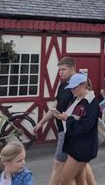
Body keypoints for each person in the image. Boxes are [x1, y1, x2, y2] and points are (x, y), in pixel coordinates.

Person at [33, 57, 75, 185]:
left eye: (63, 69)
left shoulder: (79, 85)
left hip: (70, 131)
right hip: (63, 130)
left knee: (58, 165)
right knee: (79, 167)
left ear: (72, 69)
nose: (60, 72)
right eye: (59, 70)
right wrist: (41, 122)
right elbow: (54, 107)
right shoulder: (62, 86)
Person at [55, 73, 99, 185]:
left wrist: (67, 119)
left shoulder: (90, 101)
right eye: (71, 88)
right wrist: (65, 117)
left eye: (74, 87)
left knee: (65, 180)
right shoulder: (79, 99)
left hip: (82, 147)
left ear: (84, 85)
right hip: (75, 145)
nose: (72, 90)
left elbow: (85, 125)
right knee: (80, 180)